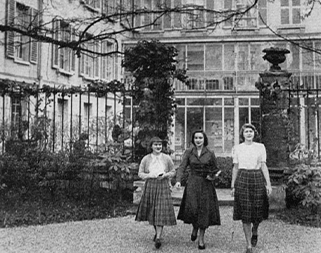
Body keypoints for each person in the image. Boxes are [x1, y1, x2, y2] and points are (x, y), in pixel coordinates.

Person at [174, 130, 221, 250]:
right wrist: (178, 180)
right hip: (193, 184)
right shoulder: (189, 152)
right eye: (196, 138)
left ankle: (201, 238)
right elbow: (182, 167)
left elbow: (215, 169)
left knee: (204, 211)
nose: (198, 140)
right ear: (193, 140)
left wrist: (213, 175)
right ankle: (194, 227)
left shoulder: (210, 153)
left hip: (206, 185)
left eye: (200, 138)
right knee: (193, 208)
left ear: (204, 139)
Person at [231, 123, 272, 253]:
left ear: (254, 134)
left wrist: (268, 184)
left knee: (258, 209)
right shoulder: (237, 148)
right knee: (245, 212)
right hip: (243, 178)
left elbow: (263, 165)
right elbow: (236, 167)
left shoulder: (260, 147)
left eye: (251, 131)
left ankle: (255, 229)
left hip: (257, 177)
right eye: (246, 131)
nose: (249, 133)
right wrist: (233, 185)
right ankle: (248, 245)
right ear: (242, 134)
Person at [135, 136, 176, 249]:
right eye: (155, 145)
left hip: (163, 185)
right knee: (152, 210)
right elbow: (140, 173)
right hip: (151, 185)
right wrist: (149, 175)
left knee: (160, 210)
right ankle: (157, 232)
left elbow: (173, 171)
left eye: (160, 145)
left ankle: (158, 237)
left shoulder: (167, 158)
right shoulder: (146, 159)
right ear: (151, 146)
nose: (158, 147)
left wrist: (166, 175)